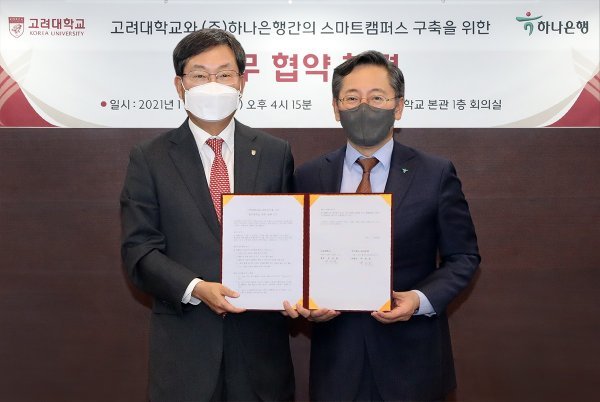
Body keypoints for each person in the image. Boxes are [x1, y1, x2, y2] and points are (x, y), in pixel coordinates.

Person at [294, 50, 481, 401]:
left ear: (398, 107)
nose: (364, 107)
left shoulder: (435, 173)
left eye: (377, 97)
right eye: (352, 98)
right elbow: (295, 258)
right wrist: (303, 301)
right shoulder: (308, 175)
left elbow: (463, 257)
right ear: (335, 108)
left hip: (412, 360)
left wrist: (419, 300)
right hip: (337, 361)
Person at [120, 29, 295, 401]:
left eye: (224, 74)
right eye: (200, 75)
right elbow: (139, 250)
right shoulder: (149, 158)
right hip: (186, 349)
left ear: (242, 82)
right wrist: (196, 287)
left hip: (259, 350)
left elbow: (292, 240)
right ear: (180, 85)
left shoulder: (274, 152)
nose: (213, 84)